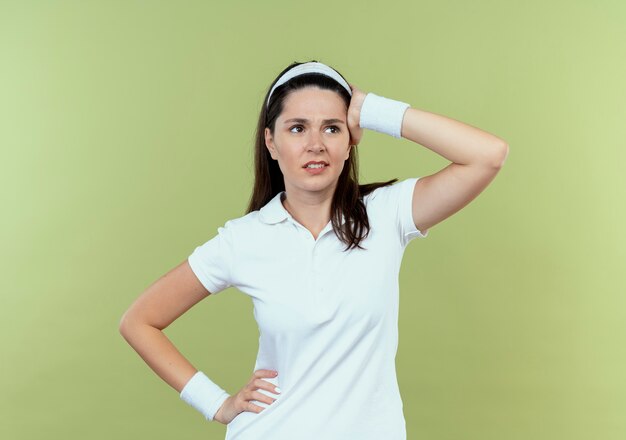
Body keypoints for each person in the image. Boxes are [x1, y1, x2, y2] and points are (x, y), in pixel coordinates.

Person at [119, 60, 509, 439]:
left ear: (350, 141)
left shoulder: (387, 214)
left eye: (332, 128)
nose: (315, 144)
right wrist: (217, 404)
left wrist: (372, 109)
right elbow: (139, 322)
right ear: (271, 142)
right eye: (297, 128)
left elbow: (487, 155)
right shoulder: (244, 239)